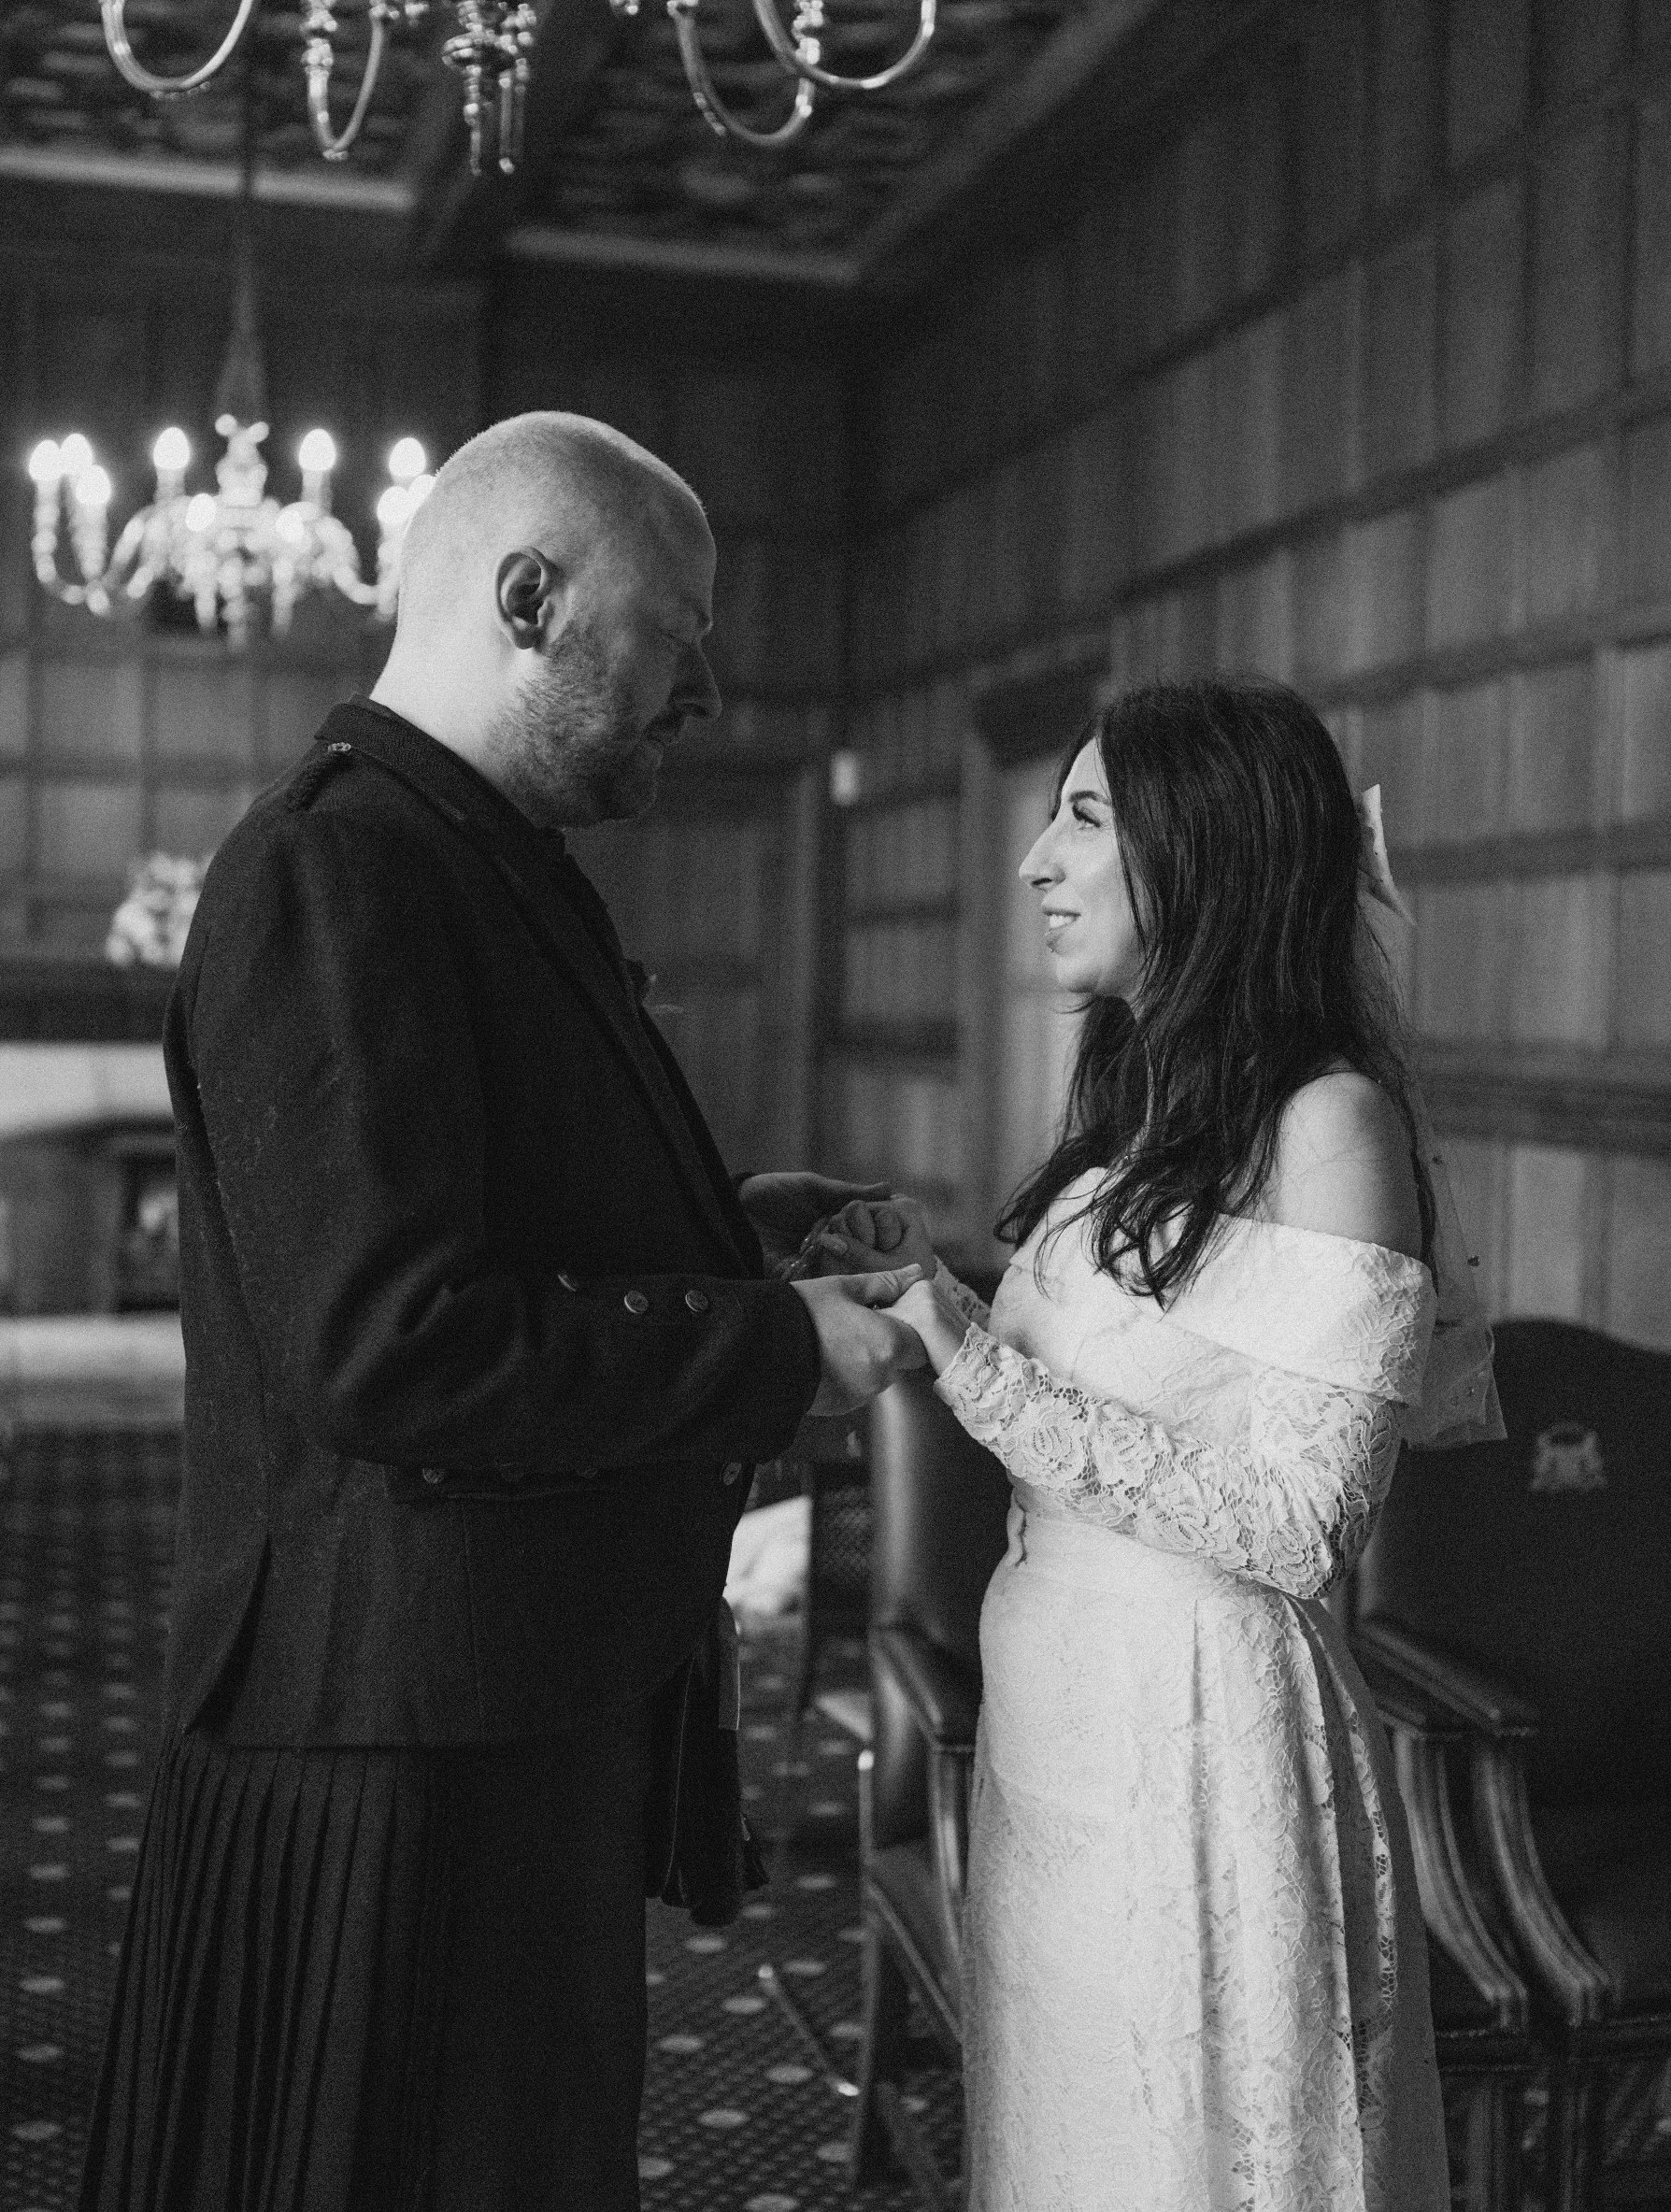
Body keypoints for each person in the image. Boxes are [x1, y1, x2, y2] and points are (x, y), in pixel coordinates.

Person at [78, 411, 926, 2212]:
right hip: (388, 1746)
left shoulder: (466, 849)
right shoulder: (339, 865)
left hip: (486, 1704)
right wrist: (787, 1351)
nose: (703, 683)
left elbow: (494, 1215)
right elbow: (394, 1342)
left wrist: (733, 1238)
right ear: (529, 594)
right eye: (678, 629)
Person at [821, 678, 1501, 2212]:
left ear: (1205, 851)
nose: (1034, 862)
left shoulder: (1333, 1124)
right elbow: (1118, 1372)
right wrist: (937, 1284)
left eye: (1081, 817)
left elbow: (1301, 1524)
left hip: (1203, 1739)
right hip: (1055, 1723)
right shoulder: (1136, 1105)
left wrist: (971, 1365)